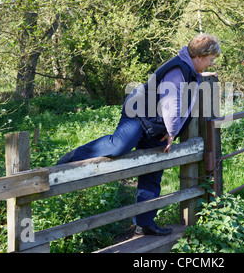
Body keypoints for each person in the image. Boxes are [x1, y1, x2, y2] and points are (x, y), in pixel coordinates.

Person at [56, 33, 221, 236]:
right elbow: (172, 105)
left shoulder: (188, 69)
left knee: (152, 171)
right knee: (119, 145)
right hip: (139, 114)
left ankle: (145, 223)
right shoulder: (178, 69)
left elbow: (187, 83)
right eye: (210, 60)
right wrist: (172, 133)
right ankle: (77, 155)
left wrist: (201, 76)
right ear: (198, 57)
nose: (211, 64)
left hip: (154, 124)